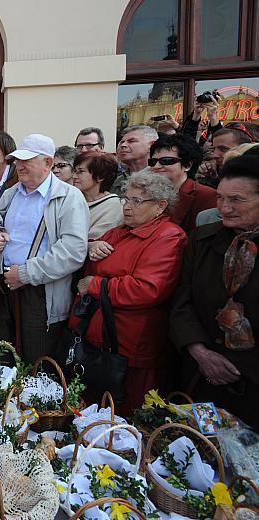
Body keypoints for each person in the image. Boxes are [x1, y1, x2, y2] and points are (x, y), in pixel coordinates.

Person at [73, 172, 187, 414]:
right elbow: (95, 253)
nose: (127, 206)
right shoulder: (121, 231)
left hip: (130, 344)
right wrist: (90, 245)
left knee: (124, 412)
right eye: (126, 199)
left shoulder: (168, 237)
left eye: (137, 201)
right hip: (100, 336)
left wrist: (94, 285)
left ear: (160, 206)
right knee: (92, 409)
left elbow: (147, 289)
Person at [170, 151, 259, 430]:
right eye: (220, 198)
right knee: (196, 456)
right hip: (202, 375)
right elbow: (182, 299)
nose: (224, 207)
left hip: (252, 383)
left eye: (236, 200)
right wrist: (200, 352)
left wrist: (239, 367)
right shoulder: (204, 239)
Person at [0, 134, 90, 362]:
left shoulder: (69, 197)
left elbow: (73, 252)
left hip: (41, 292)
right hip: (5, 286)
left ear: (48, 163)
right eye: (18, 161)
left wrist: (24, 274)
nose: (20, 166)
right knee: (1, 358)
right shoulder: (12, 193)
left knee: (36, 362)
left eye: (27, 161)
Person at [149, 133, 216, 234]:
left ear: (188, 165)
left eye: (166, 161)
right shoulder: (146, 193)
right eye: (153, 162)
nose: (157, 166)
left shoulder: (206, 195)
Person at [72, 151, 123, 239]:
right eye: (75, 171)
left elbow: (96, 238)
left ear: (100, 176)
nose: (74, 176)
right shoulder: (72, 200)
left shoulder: (114, 206)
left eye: (81, 172)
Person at [115, 125, 158, 192]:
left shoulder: (161, 178)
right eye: (122, 142)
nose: (123, 145)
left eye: (131, 141)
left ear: (151, 146)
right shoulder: (116, 181)